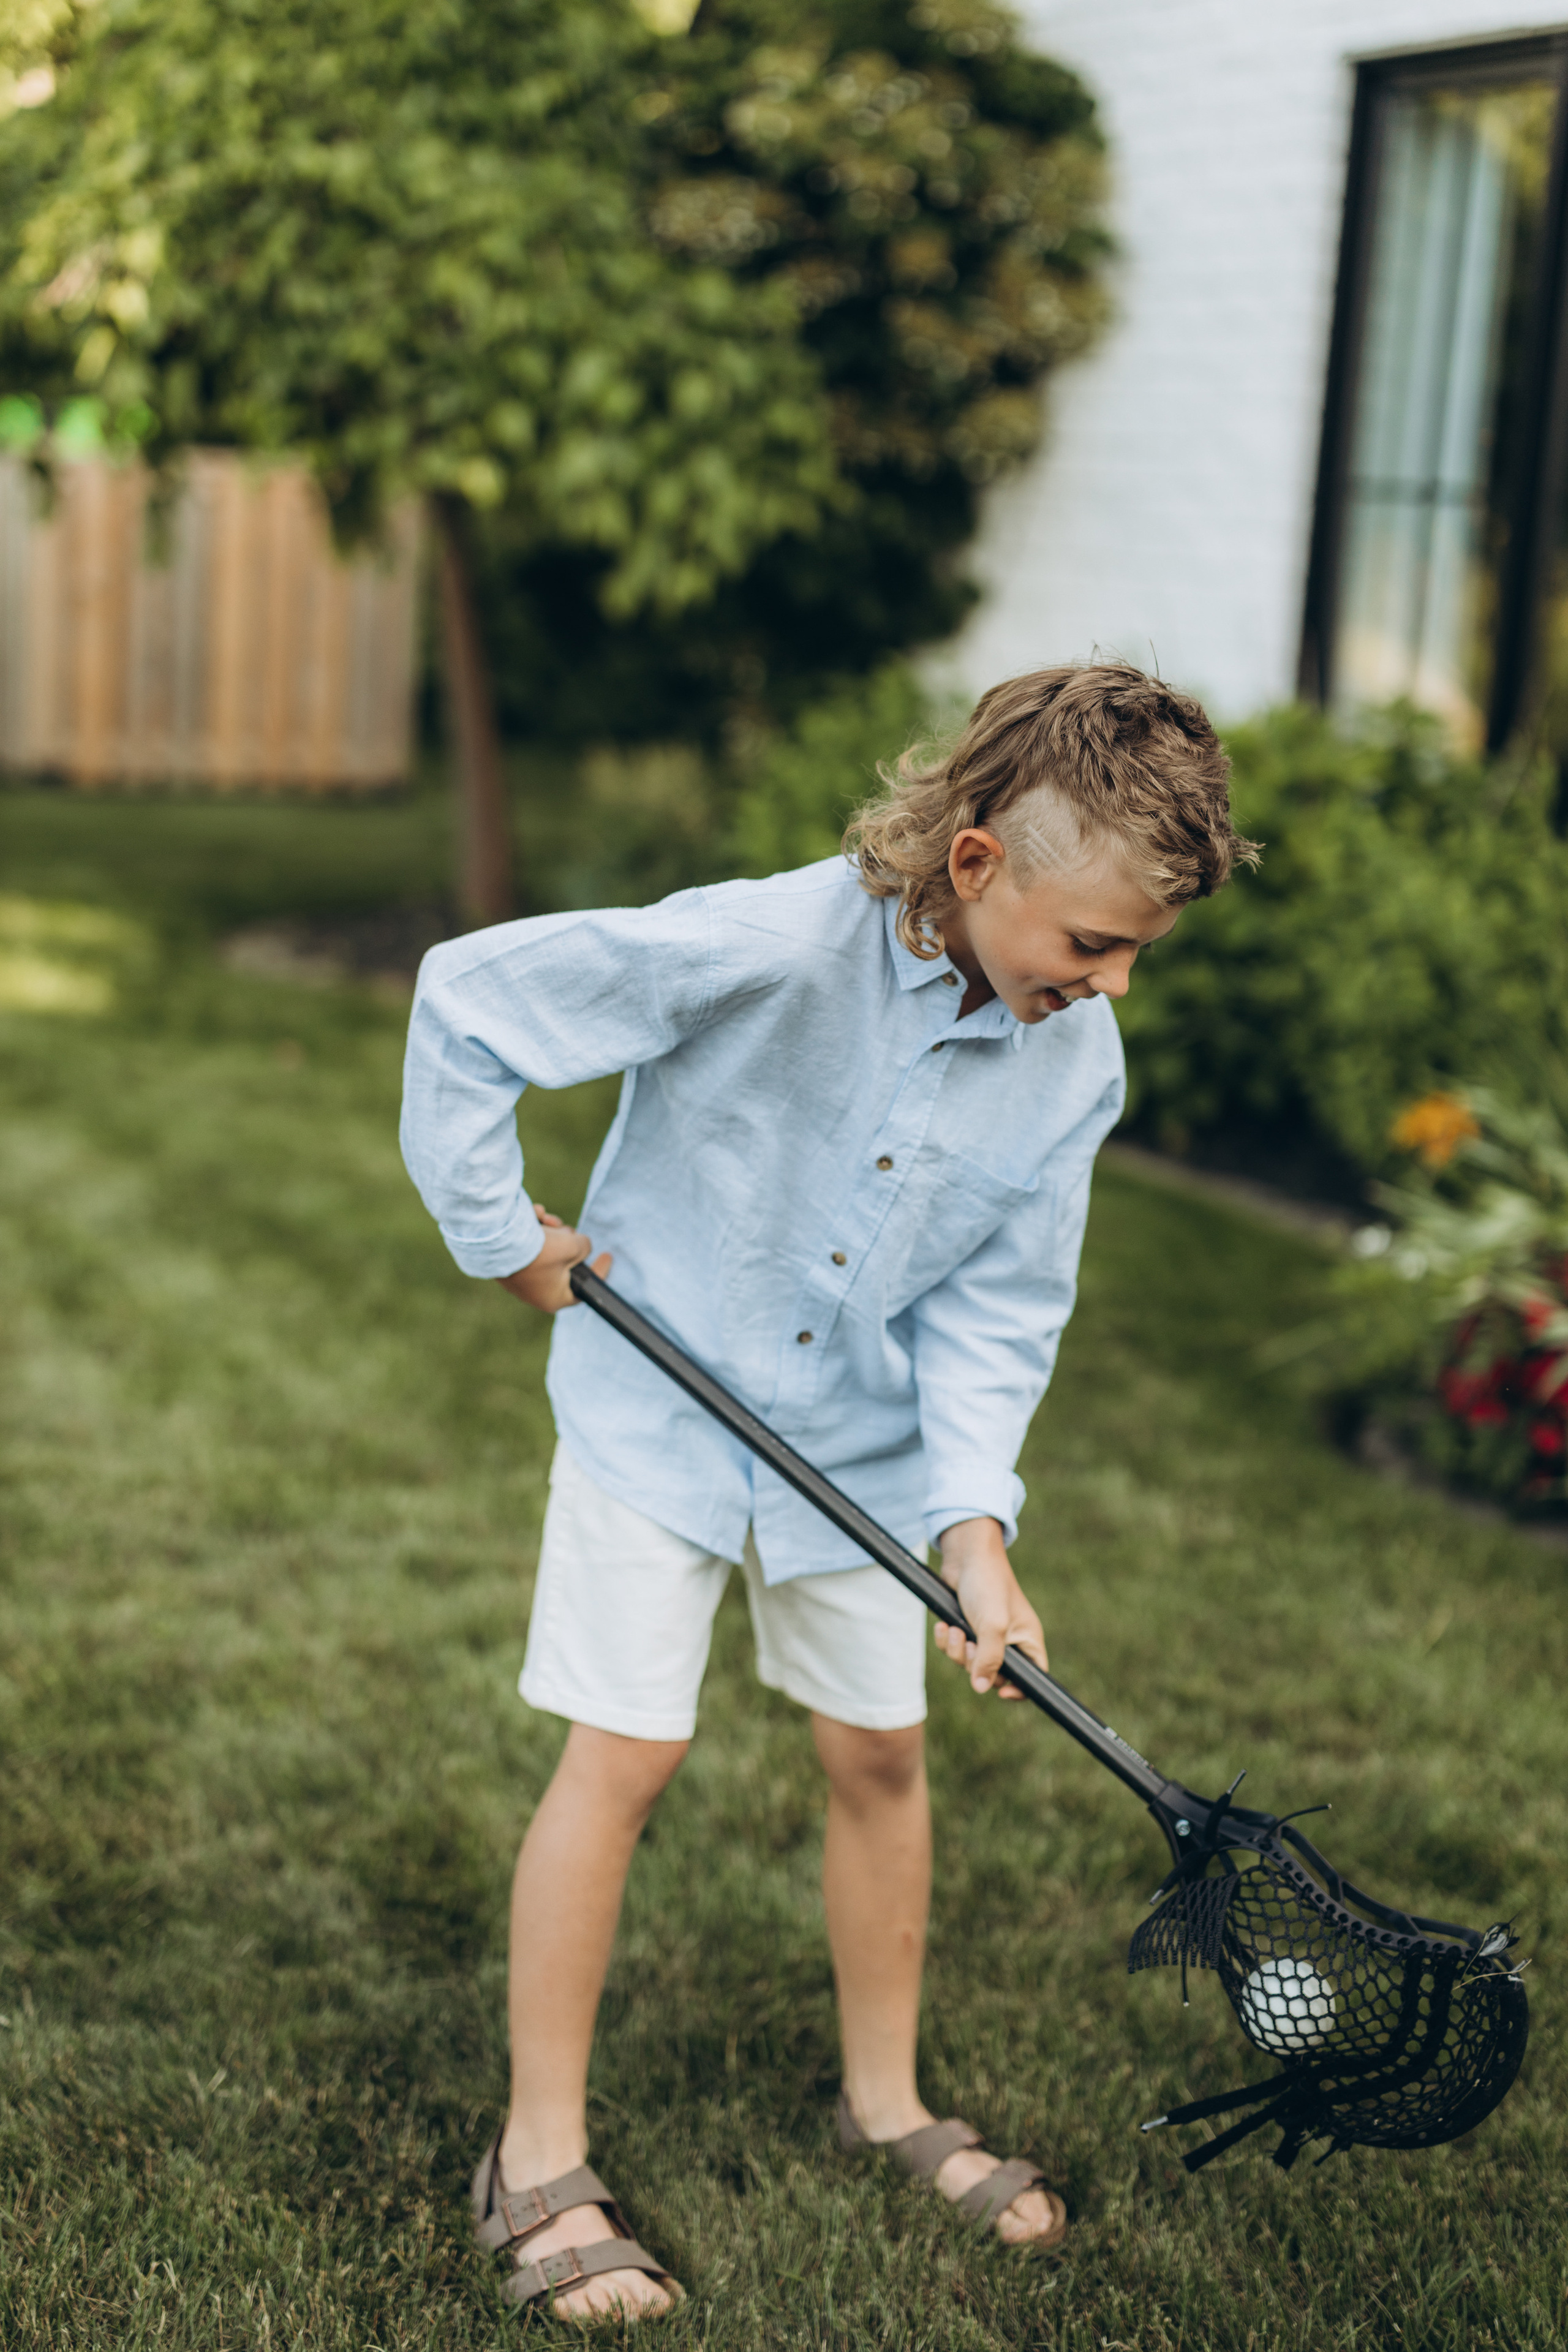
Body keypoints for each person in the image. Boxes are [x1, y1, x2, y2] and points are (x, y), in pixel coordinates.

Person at [399, 661, 1259, 2320]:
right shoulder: (769, 945)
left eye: (1140, 951)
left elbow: (999, 1312)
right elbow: (472, 999)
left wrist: (975, 1529)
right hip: (660, 1413)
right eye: (1095, 944)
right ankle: (536, 2155)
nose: (1117, 986)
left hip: (855, 1454)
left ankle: (887, 2102)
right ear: (979, 861)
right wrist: (506, 1240)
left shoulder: (1073, 1071)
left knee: (879, 1754)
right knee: (628, 1753)